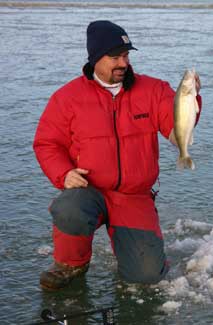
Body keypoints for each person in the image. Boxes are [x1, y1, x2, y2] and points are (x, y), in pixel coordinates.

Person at [33, 20, 202, 290]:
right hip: (89, 190)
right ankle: (72, 264)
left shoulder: (154, 90)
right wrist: (63, 173)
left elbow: (176, 128)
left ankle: (140, 251)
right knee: (69, 208)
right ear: (95, 58)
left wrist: (192, 99)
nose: (122, 63)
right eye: (114, 57)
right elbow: (47, 143)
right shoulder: (67, 98)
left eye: (125, 55)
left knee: (147, 277)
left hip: (134, 196)